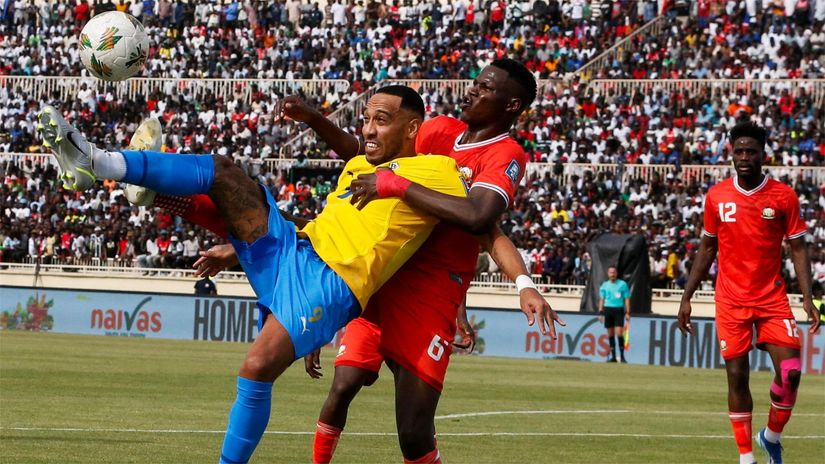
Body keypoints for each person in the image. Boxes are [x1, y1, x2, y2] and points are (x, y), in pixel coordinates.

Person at [37, 85, 558, 464]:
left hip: (331, 284)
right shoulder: (358, 169)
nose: (368, 129)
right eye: (366, 119)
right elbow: (324, 226)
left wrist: (523, 283)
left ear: (411, 128)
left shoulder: (440, 173)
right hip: (299, 251)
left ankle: (149, 183)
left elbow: (484, 227)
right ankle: (100, 163)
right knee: (227, 175)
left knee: (260, 366)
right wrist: (234, 248)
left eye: (381, 119)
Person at [283, 59, 556, 464]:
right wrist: (314, 120)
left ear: (512, 105)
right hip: (386, 275)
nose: (472, 90)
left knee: (413, 431)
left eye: (485, 88)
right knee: (342, 385)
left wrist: (523, 284)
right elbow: (371, 154)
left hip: (430, 293)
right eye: (474, 82)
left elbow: (482, 221)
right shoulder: (438, 130)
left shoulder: (504, 153)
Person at [677, 122, 821, 464]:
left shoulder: (783, 196)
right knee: (737, 376)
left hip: (772, 298)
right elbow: (707, 248)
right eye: (738, 151)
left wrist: (807, 296)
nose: (744, 157)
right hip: (730, 300)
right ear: (732, 153)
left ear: (763, 154)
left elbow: (799, 249)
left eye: (751, 151)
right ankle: (746, 458)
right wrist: (687, 297)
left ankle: (771, 437)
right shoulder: (717, 196)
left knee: (791, 374)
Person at [598, 265, 630, 363]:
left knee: (619, 333)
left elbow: (627, 299)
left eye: (614, 272)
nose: (612, 274)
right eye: (610, 272)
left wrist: (628, 312)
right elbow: (601, 299)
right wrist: (600, 312)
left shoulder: (622, 284)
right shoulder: (604, 285)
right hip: (608, 310)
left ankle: (622, 356)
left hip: (618, 310)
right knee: (610, 334)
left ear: (616, 273)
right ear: (608, 274)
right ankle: (613, 357)